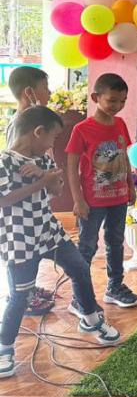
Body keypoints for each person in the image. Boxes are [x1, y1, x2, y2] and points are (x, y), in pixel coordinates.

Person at [1, 107, 120, 379]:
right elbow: (3, 199)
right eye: (52, 138)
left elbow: (55, 188)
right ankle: (4, 348)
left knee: (79, 268)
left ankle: (90, 318)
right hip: (19, 238)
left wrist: (48, 176)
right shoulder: (5, 161)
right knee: (20, 295)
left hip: (49, 231)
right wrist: (42, 180)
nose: (51, 144)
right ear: (38, 132)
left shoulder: (42, 158)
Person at [65, 73, 137, 314]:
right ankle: (80, 298)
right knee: (87, 246)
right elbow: (72, 168)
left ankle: (115, 287)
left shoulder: (120, 124)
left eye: (122, 101)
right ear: (95, 97)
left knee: (115, 242)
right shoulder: (81, 129)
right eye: (112, 100)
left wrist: (130, 186)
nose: (117, 106)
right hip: (92, 201)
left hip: (118, 198)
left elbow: (124, 157)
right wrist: (78, 200)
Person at [5, 66, 56, 315]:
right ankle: (20, 295)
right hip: (19, 208)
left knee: (31, 249)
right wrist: (41, 178)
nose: (50, 92)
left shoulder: (32, 119)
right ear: (29, 92)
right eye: (45, 88)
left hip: (35, 201)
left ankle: (28, 290)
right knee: (19, 253)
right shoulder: (20, 125)